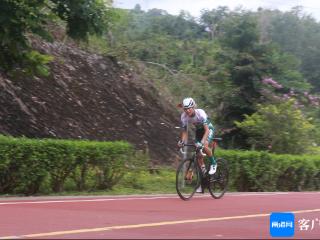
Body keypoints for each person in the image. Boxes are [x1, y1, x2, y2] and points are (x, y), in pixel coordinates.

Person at [177, 97, 217, 193]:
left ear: (193, 107)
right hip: (199, 131)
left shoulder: (201, 113)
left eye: (189, 108)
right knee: (198, 154)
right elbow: (184, 132)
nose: (187, 111)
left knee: (204, 144)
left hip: (208, 129)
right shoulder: (183, 117)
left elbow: (207, 130)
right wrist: (182, 142)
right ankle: (203, 178)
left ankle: (214, 163)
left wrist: (202, 142)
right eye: (185, 109)